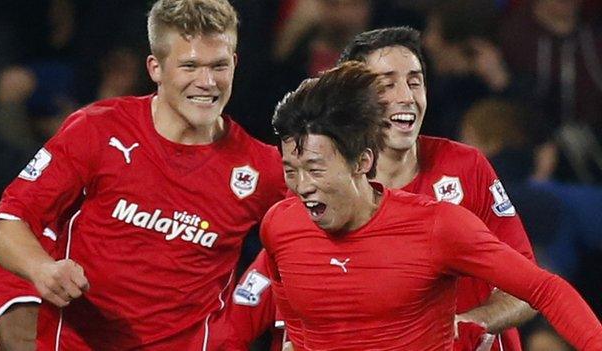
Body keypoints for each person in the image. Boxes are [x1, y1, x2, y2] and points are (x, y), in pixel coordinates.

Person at [0, 0, 286, 349]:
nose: (207, 82)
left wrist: (238, 324)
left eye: (219, 66)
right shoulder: (98, 129)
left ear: (234, 63)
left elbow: (308, 240)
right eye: (189, 66)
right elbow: (8, 225)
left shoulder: (261, 168)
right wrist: (43, 269)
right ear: (155, 68)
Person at [230, 27, 538, 351]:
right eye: (387, 84)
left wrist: (469, 324)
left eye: (415, 81)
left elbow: (528, 288)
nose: (406, 96)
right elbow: (254, 301)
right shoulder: (321, 191)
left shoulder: (466, 168)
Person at [263, 60, 602, 350]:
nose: (302, 186)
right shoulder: (279, 227)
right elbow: (297, 328)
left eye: (316, 169)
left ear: (362, 162)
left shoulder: (438, 226)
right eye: (291, 170)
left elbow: (546, 289)